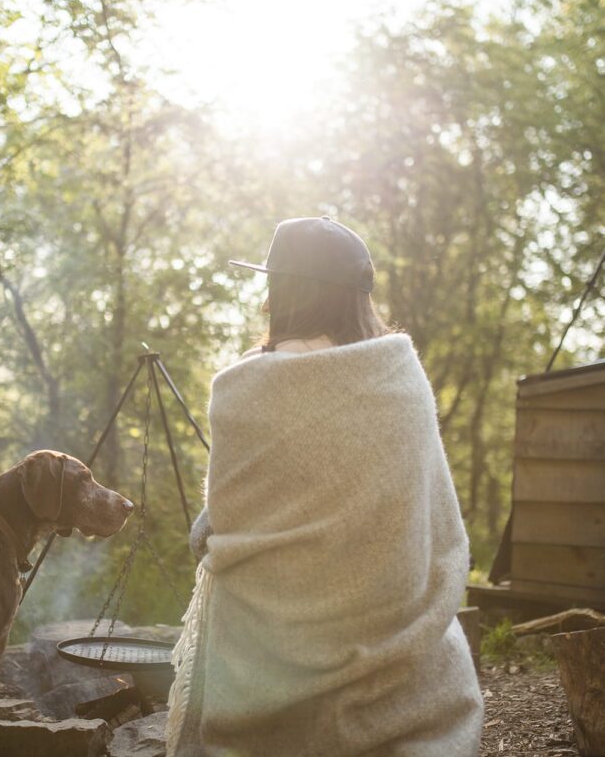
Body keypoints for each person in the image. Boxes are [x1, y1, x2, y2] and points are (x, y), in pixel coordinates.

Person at [166, 217, 483, 756]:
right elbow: (429, 517)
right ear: (358, 298)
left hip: (272, 655)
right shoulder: (400, 377)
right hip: (396, 636)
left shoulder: (244, 386)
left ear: (282, 290)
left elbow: (227, 517)